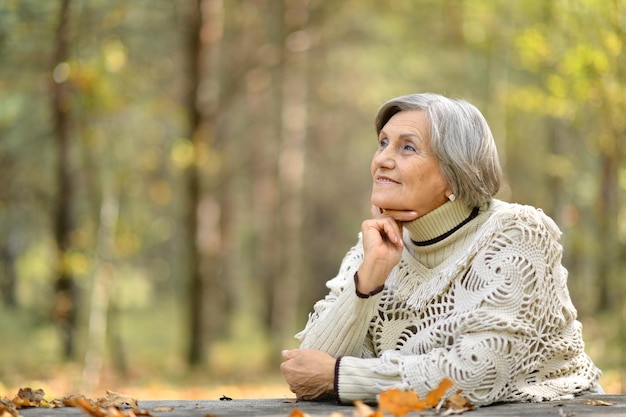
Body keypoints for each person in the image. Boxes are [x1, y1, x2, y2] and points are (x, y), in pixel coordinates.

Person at [280, 92, 603, 406]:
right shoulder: (376, 245)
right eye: (382, 143)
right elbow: (307, 372)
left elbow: (481, 372)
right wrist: (369, 279)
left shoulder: (517, 231)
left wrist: (344, 378)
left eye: (407, 147)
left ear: (454, 174)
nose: (381, 160)